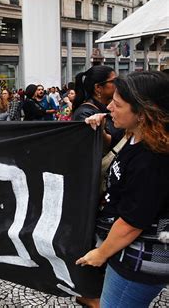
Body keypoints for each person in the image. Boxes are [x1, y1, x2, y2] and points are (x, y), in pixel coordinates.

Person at [76, 71, 169, 307]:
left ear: (143, 113)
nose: (109, 107)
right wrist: (101, 134)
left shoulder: (153, 158)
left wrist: (101, 253)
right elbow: (117, 158)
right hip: (126, 252)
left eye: (117, 104)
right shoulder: (138, 135)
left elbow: (132, 221)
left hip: (137, 261)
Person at [72, 65, 123, 149]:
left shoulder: (106, 107)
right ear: (98, 87)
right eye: (114, 81)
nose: (118, 84)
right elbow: (95, 148)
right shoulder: (84, 113)